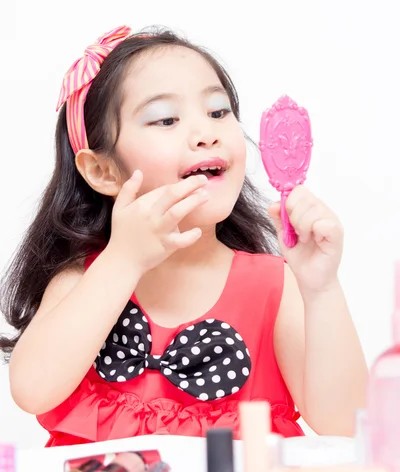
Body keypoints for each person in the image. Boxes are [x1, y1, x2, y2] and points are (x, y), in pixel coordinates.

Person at [0, 26, 367, 447]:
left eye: (218, 111)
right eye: (166, 119)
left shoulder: (274, 286)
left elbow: (345, 425)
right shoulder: (85, 280)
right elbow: (32, 390)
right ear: (103, 171)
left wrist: (321, 290)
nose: (206, 132)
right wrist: (123, 260)